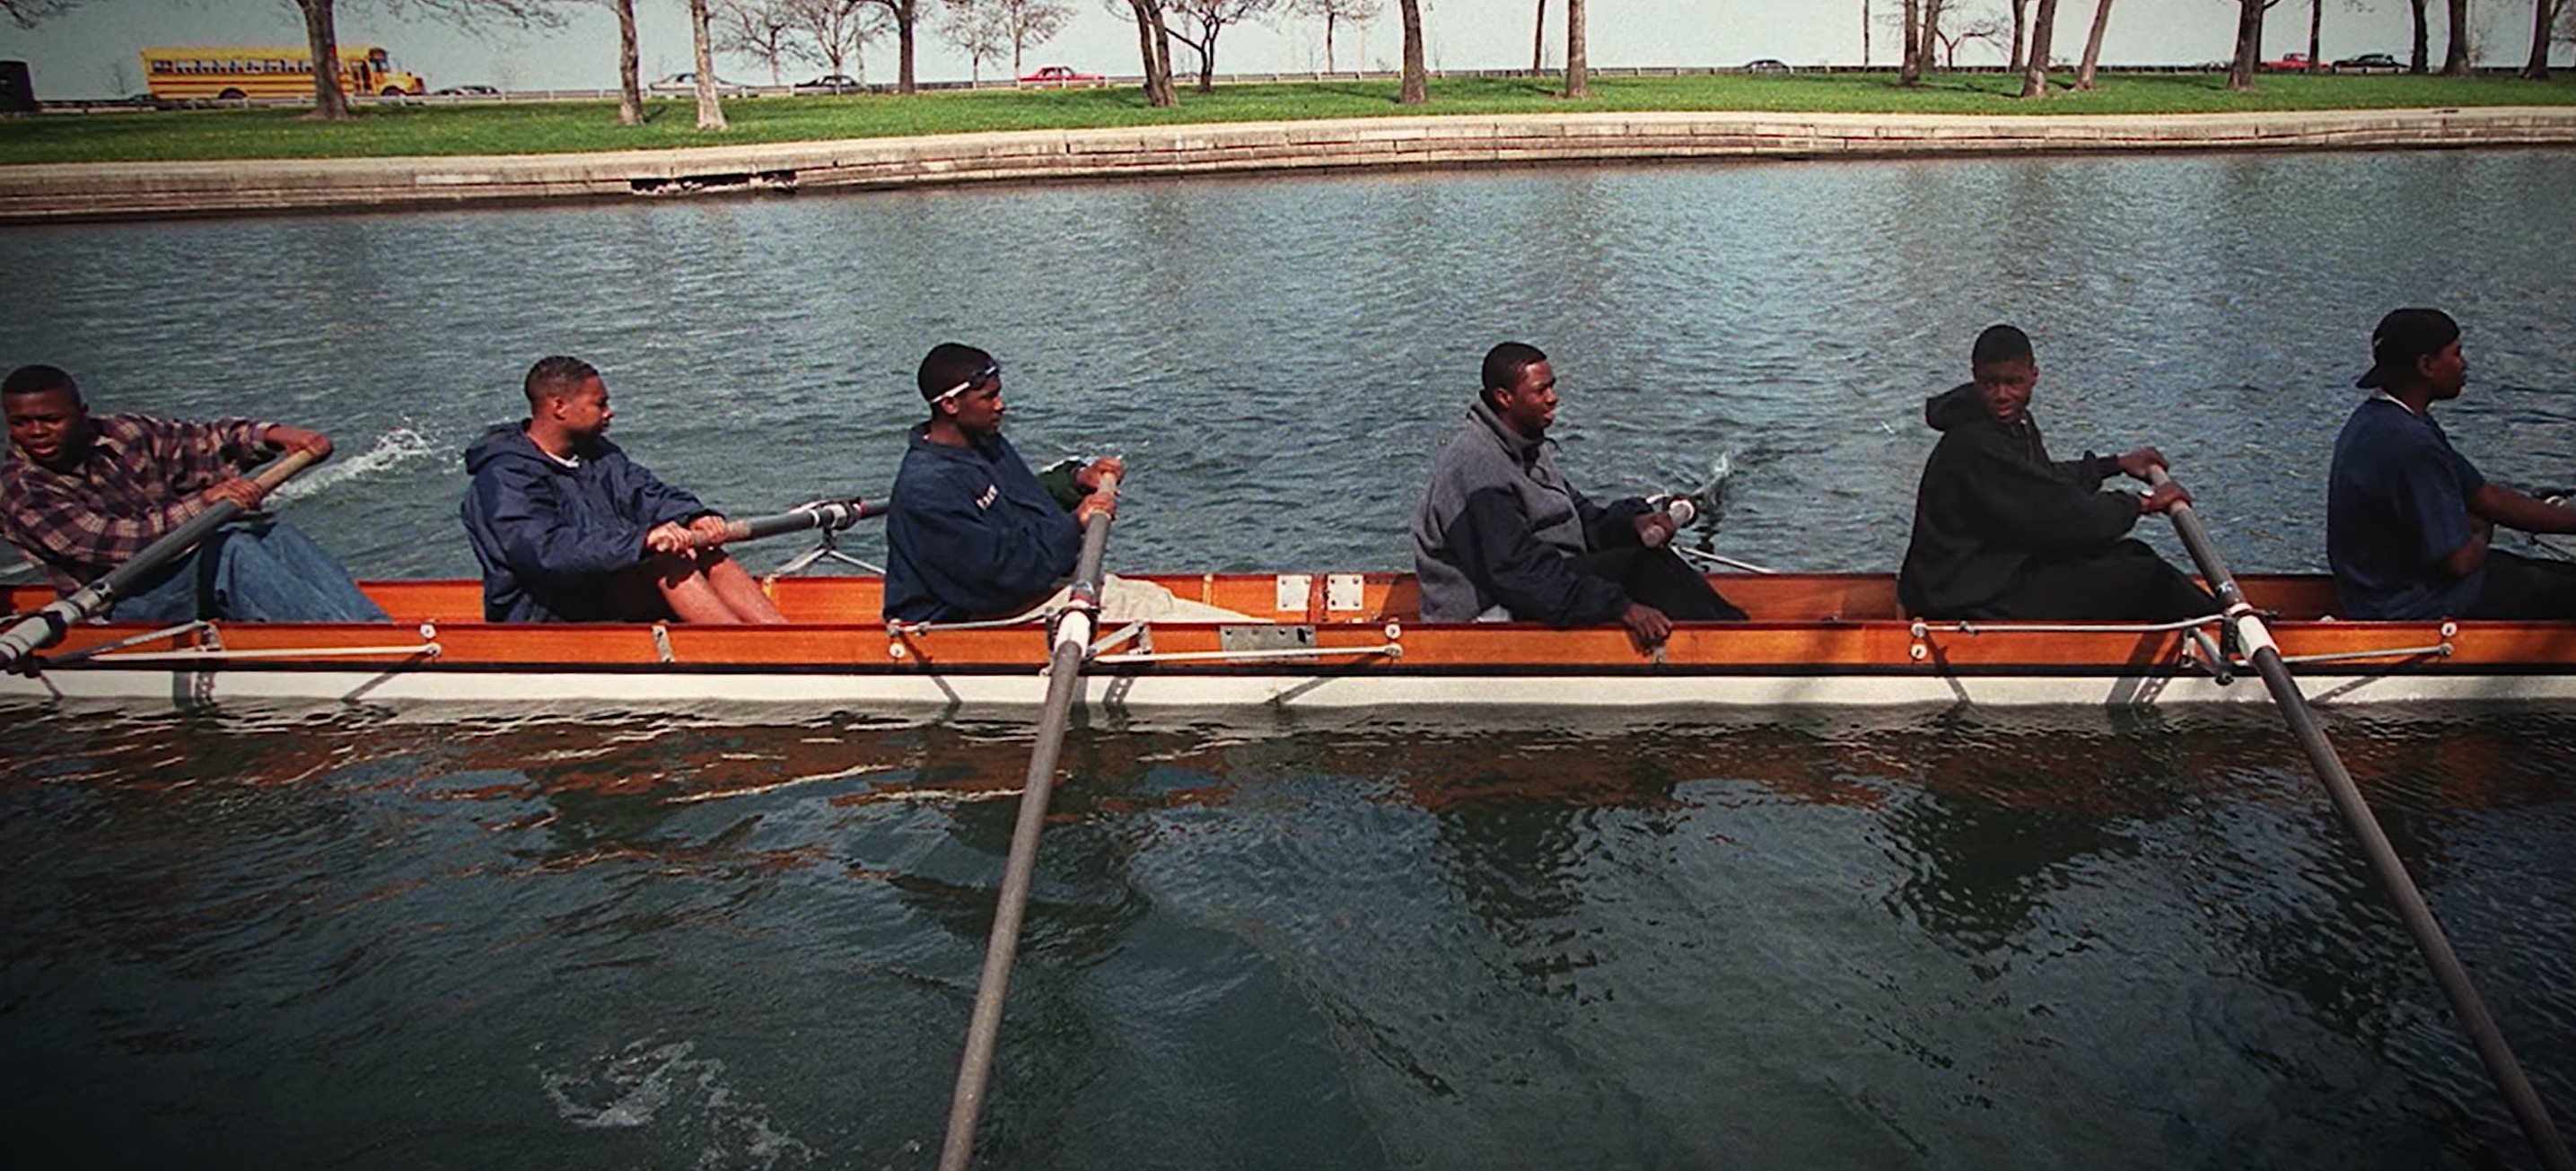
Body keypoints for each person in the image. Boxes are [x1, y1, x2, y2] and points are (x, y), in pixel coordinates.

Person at [1412, 342, 1747, 646]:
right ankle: (1732, 648)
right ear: (1504, 398)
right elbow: (1516, 573)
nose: (1553, 398)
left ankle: (1736, 632)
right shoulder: (1477, 464)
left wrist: (1632, 524)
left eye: (1553, 386)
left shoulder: (1525, 444)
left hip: (1542, 580)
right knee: (1641, 568)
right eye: (1540, 390)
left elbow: (1580, 519)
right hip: (1489, 613)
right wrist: (1621, 607)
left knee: (1650, 557)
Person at [0, 363, 390, 624]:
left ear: (81, 413)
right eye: (21, 423)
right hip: (117, 605)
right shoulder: (20, 487)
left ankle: (374, 629)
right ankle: (350, 645)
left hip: (176, 574)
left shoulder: (124, 434)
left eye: (50, 419)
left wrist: (278, 436)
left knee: (271, 533)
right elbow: (106, 541)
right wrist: (203, 503)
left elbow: (203, 441)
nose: (37, 432)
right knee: (229, 551)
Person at [1897, 325, 2214, 622]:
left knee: (2132, 554)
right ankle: (2229, 639)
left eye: (2013, 382)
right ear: (1975, 378)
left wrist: (2115, 464)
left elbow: (2043, 480)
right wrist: (2144, 503)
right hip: (1961, 595)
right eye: (1990, 384)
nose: (2002, 395)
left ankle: (2222, 629)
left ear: (2033, 376)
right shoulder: (1975, 442)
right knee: (2149, 578)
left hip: (1996, 572)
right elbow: (2063, 515)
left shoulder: (2013, 423)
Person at [460, 356, 787, 625]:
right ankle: (745, 651)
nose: (609, 412)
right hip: (546, 613)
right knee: (667, 561)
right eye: (600, 404)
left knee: (704, 552)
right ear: (559, 406)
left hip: (599, 590)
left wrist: (694, 517)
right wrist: (642, 541)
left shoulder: (598, 454)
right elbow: (547, 552)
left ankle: (780, 637)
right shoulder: (505, 477)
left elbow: (647, 493)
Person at [2326, 308, 2576, 620]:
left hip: (2380, 593)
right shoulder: (2412, 444)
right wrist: (2481, 532)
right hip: (2415, 606)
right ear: (2427, 365)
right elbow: (2460, 561)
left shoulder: (2379, 419)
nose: (2464, 364)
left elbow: (2487, 497)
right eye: (2456, 354)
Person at [883, 343, 1123, 624]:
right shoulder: (927, 489)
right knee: (1161, 618)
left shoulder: (985, 443)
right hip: (961, 618)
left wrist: (1076, 481)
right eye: (989, 397)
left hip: (1028, 589)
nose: (1001, 405)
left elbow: (1023, 500)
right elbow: (999, 576)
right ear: (950, 405)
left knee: (1157, 600)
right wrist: (1073, 525)